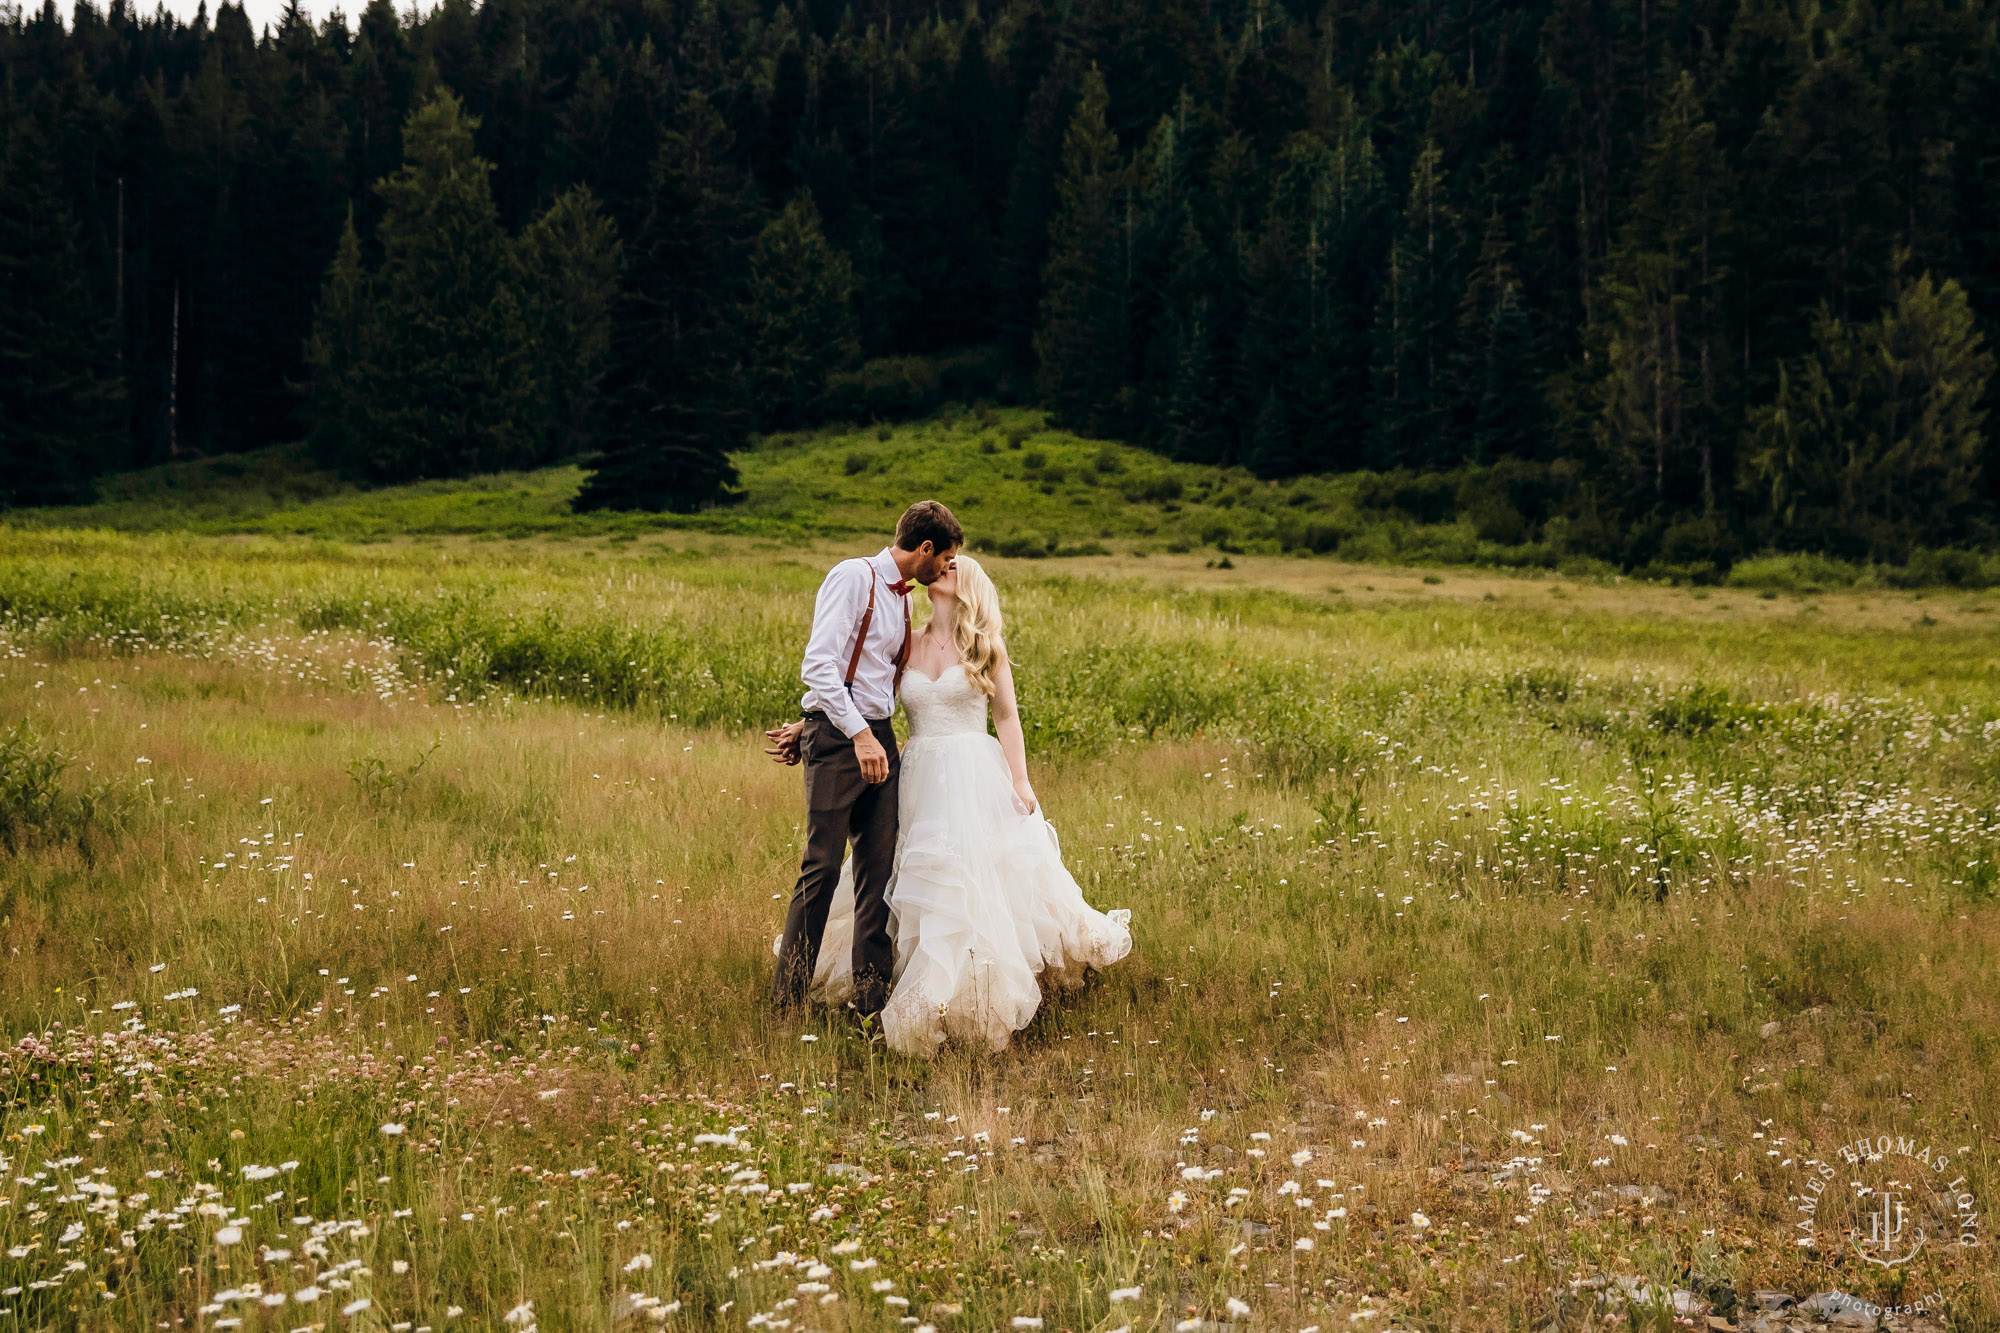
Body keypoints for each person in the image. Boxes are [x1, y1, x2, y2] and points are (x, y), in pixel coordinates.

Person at [797, 553, 1132, 1055]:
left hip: (973, 769)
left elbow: (1008, 717)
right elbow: (864, 696)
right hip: (918, 771)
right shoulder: (906, 643)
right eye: (941, 565)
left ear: (967, 586)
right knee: (905, 875)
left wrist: (1020, 781)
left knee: (974, 876)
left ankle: (971, 989)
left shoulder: (984, 646)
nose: (939, 573)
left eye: (952, 570)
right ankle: (895, 976)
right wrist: (807, 726)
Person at [765, 500, 961, 1016]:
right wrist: (839, 730)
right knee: (822, 869)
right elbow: (819, 663)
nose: (945, 569)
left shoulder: (903, 601)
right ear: (924, 549)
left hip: (878, 738)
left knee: (879, 873)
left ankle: (871, 1005)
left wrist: (854, 731)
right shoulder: (853, 577)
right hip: (843, 741)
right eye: (944, 560)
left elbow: (878, 680)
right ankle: (786, 1005)